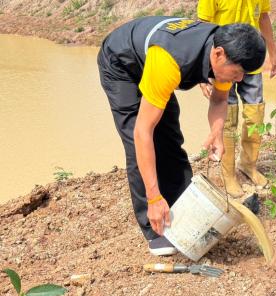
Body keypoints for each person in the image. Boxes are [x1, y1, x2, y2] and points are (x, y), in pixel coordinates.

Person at [97, 17, 266, 256]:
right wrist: (154, 198)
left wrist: (216, 133)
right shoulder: (171, 61)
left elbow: (219, 99)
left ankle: (182, 211)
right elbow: (142, 132)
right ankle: (155, 227)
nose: (239, 80)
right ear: (218, 54)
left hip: (154, 61)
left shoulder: (226, 48)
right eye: (237, 73)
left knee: (170, 138)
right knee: (140, 139)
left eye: (243, 75)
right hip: (123, 65)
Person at [197, 0, 276, 198]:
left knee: (256, 112)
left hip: (251, 62)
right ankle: (228, 174)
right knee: (227, 117)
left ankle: (248, 165)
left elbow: (263, 18)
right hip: (224, 63)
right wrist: (203, 74)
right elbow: (202, 27)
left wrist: (273, 53)